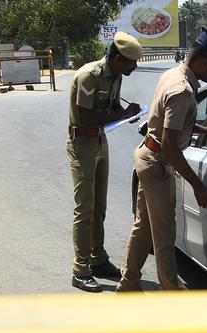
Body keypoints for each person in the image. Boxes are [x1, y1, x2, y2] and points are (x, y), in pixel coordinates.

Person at [117, 28, 207, 292]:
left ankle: (128, 283)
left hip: (147, 157)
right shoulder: (182, 90)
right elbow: (170, 144)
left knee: (144, 227)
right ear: (204, 61)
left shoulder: (174, 74)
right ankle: (173, 295)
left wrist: (203, 129)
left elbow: (171, 125)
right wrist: (198, 185)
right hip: (157, 164)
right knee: (165, 236)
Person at [67, 32, 142, 293]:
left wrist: (127, 113)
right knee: (84, 209)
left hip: (100, 141)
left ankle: (97, 259)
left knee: (100, 208)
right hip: (83, 144)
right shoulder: (91, 75)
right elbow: (84, 116)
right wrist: (121, 113)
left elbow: (109, 112)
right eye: (132, 62)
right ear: (119, 59)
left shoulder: (116, 75)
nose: (135, 66)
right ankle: (81, 270)